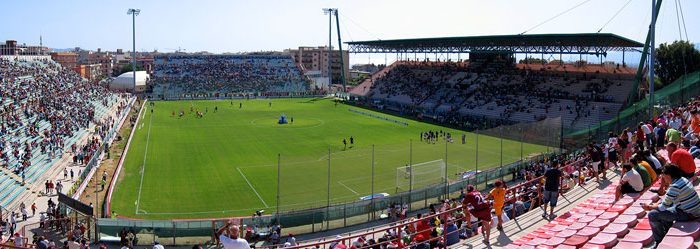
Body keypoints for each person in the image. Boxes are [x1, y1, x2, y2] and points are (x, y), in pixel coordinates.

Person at [642, 164, 700, 246]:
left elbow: (662, 207)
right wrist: (657, 205)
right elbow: (668, 201)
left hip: (689, 214)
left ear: (668, 175)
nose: (663, 178)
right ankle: (667, 230)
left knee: (652, 214)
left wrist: (649, 207)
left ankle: (658, 240)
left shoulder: (674, 187)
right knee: (664, 208)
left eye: (663, 175)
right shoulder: (683, 179)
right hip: (695, 210)